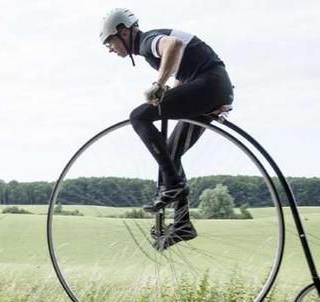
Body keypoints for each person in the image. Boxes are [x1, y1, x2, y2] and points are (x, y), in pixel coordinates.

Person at [100, 8, 234, 250]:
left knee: (139, 117)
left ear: (124, 31)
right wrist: (171, 89)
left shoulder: (146, 41)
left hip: (209, 86)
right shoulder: (148, 45)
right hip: (212, 87)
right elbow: (183, 69)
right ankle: (182, 223)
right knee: (170, 154)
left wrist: (159, 84)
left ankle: (172, 185)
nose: (110, 49)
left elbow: (173, 46)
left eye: (109, 42)